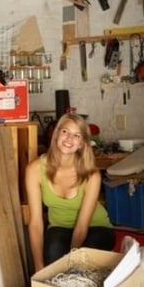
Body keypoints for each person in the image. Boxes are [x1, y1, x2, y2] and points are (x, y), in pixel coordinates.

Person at [25, 113, 115, 272]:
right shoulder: (35, 170)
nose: (69, 139)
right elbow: (36, 223)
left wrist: (72, 264)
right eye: (65, 131)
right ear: (56, 134)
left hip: (95, 228)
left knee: (85, 259)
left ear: (82, 143)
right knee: (53, 251)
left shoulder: (91, 175)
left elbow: (81, 226)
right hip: (59, 227)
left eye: (76, 135)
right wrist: (39, 268)